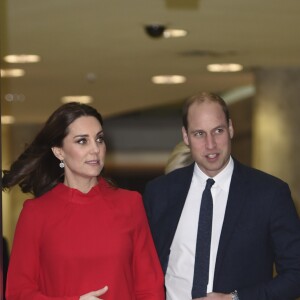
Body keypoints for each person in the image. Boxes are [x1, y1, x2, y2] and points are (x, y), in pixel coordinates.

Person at [143, 92, 300, 300]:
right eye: (199, 134)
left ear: (231, 128)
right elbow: (141, 266)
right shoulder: (159, 193)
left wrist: (234, 299)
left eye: (218, 131)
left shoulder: (269, 194)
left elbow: (296, 275)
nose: (211, 144)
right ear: (185, 136)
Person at [2, 102, 164, 300]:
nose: (95, 149)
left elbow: (150, 287)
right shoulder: (36, 213)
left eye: (99, 139)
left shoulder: (130, 203)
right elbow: (18, 292)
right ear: (59, 151)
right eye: (82, 141)